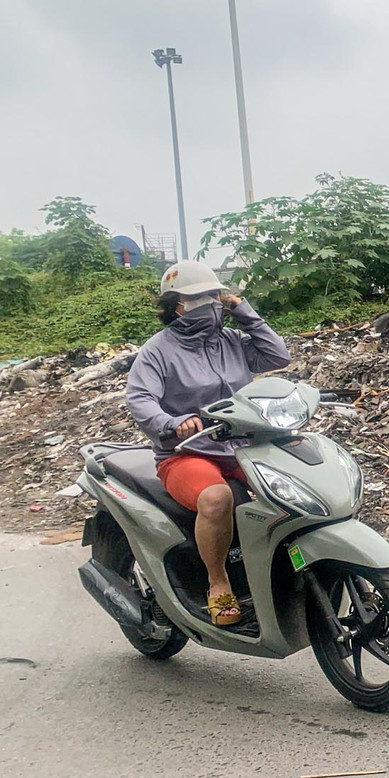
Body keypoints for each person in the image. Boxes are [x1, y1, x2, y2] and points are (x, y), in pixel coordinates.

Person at [125, 260, 291, 626]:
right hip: (187, 453)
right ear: (175, 305)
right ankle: (219, 583)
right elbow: (140, 399)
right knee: (217, 499)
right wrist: (173, 422)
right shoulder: (158, 351)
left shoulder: (231, 341)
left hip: (244, 446)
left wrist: (243, 310)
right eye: (196, 297)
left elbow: (278, 356)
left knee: (292, 490)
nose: (208, 302)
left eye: (213, 294)